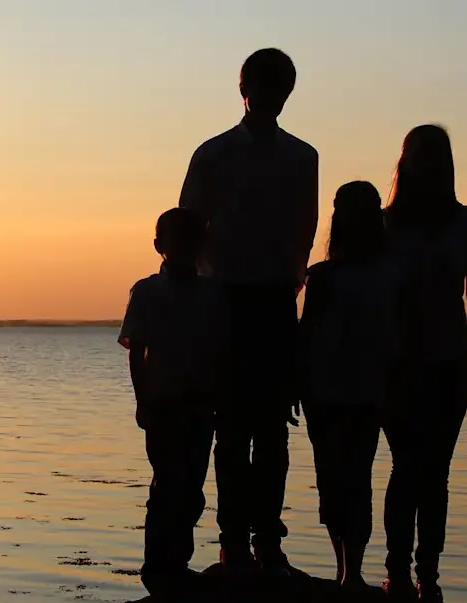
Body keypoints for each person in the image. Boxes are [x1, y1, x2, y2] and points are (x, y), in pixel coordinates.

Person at [179, 48, 319, 575]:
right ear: (244, 88)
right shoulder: (212, 155)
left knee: (274, 429)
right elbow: (189, 228)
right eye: (263, 85)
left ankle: (268, 539)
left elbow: (305, 229)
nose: (269, 96)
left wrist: (293, 282)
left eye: (280, 87)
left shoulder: (304, 158)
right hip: (224, 301)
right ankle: (233, 537)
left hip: (277, 301)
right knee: (232, 429)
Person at [381, 124, 467, 603]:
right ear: (405, 162)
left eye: (436, 157)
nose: (427, 165)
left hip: (449, 360)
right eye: (419, 156)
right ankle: (397, 572)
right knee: (406, 468)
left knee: (436, 473)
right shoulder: (384, 225)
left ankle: (428, 576)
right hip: (396, 364)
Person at [118, 207, 230, 598]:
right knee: (167, 485)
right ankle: (158, 567)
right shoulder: (147, 291)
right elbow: (136, 350)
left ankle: (177, 562)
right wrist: (142, 401)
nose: (184, 248)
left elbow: (221, 350)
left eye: (191, 240)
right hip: (164, 403)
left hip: (200, 404)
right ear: (159, 246)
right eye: (177, 240)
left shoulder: (213, 294)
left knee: (192, 488)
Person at [299, 181, 401, 590]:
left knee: (354, 476)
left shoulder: (390, 275)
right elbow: (306, 334)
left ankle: (351, 571)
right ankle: (346, 569)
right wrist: (297, 382)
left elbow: (398, 335)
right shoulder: (322, 277)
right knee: (334, 479)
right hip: (325, 391)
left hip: (364, 390)